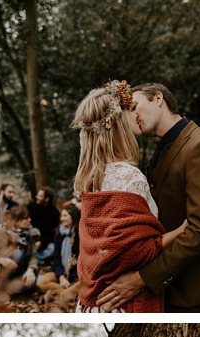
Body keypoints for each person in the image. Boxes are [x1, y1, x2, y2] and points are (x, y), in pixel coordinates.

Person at [96, 82, 200, 313]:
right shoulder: (164, 146)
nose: (132, 114)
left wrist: (143, 278)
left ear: (158, 99)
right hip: (161, 285)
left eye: (135, 105)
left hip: (185, 285)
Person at [69, 80, 187, 312]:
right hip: (124, 301)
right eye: (129, 110)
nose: (136, 115)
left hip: (94, 298)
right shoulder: (128, 176)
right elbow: (133, 250)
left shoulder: (91, 179)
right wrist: (183, 230)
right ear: (117, 122)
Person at [51, 203, 80, 286]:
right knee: (41, 282)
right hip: (61, 271)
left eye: (65, 216)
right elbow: (56, 257)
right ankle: (65, 291)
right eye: (61, 216)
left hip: (76, 273)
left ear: (73, 216)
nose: (61, 219)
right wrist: (61, 277)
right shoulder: (58, 233)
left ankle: (66, 292)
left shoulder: (80, 234)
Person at [28, 186, 58, 264]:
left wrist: (41, 242)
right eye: (37, 195)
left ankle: (35, 259)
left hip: (45, 241)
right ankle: (38, 260)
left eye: (40, 196)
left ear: (47, 199)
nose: (36, 197)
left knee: (53, 248)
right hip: (31, 239)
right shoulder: (31, 207)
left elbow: (52, 232)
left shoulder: (54, 212)